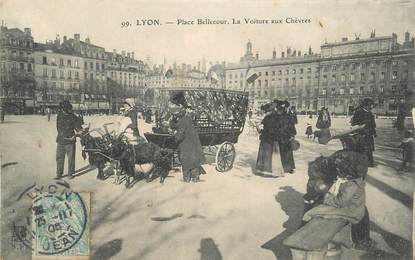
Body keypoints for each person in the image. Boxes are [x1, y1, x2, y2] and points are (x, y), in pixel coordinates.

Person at [170, 106, 206, 182]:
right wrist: (172, 123)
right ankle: (195, 178)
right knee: (194, 161)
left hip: (186, 145)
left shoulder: (182, 122)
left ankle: (186, 179)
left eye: (174, 115)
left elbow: (180, 136)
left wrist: (174, 135)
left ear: (176, 115)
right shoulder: (186, 118)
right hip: (193, 143)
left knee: (185, 161)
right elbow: (176, 125)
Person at [55, 100, 83, 179]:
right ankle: (59, 174)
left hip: (70, 142)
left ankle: (70, 173)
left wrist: (80, 131)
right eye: (67, 108)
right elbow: (58, 128)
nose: (69, 110)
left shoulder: (73, 116)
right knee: (59, 158)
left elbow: (78, 127)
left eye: (69, 108)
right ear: (63, 108)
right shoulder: (59, 116)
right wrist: (67, 137)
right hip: (61, 140)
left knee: (71, 159)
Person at [255, 102, 284, 177]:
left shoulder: (273, 118)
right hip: (269, 137)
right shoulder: (270, 117)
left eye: (267, 111)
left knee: (268, 154)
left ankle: (268, 171)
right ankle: (265, 170)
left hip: (271, 138)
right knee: (267, 153)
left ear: (271, 111)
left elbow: (271, 129)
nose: (266, 113)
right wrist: (260, 129)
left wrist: (261, 130)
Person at [351, 98, 377, 167]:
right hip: (361, 134)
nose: (371, 107)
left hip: (369, 134)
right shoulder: (359, 112)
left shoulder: (370, 113)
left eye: (371, 106)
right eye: (370, 105)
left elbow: (373, 124)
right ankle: (361, 162)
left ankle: (369, 162)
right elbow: (354, 123)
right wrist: (361, 126)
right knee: (362, 148)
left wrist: (374, 132)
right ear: (365, 105)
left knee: (369, 149)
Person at [274, 100, 297, 174]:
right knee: (280, 152)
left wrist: (292, 135)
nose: (279, 110)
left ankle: (289, 167)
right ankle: (281, 167)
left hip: (286, 137)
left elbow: (292, 126)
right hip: (279, 136)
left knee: (287, 152)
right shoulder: (276, 117)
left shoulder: (288, 117)